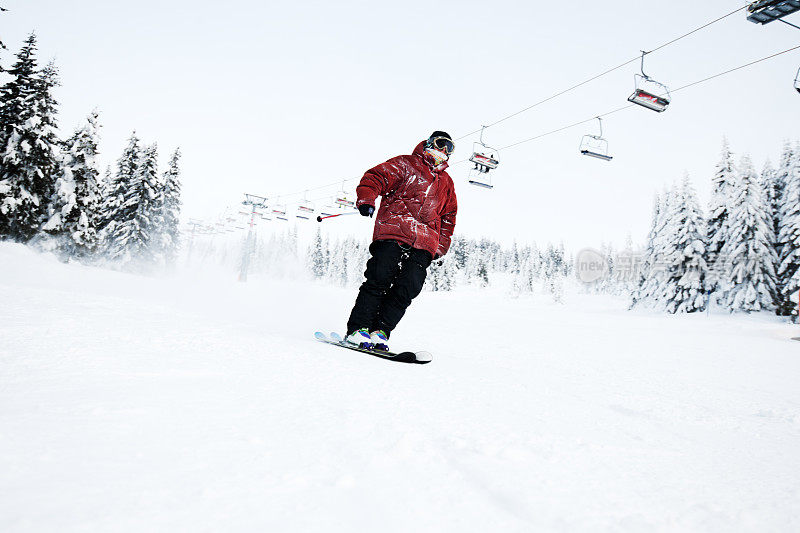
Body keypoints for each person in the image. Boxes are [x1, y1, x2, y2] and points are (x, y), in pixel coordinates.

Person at [345, 131, 458, 351]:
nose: (444, 151)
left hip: (424, 244)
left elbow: (449, 216)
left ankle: (380, 331)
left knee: (408, 288)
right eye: (440, 144)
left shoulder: (446, 182)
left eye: (449, 148)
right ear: (428, 144)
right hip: (394, 232)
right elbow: (376, 177)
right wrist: (367, 198)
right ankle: (358, 330)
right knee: (379, 279)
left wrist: (440, 247)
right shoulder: (406, 163)